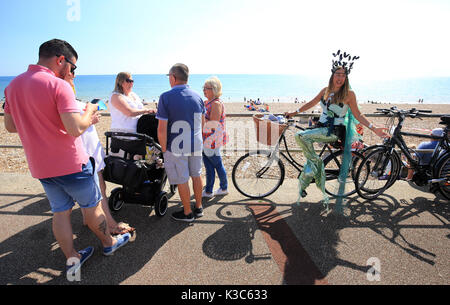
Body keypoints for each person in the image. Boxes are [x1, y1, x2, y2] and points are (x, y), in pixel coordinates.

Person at [3, 39, 130, 274]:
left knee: (60, 212)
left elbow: (10, 126)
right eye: (73, 67)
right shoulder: (58, 86)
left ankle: (72, 257)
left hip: (41, 166)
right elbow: (75, 128)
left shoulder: (12, 87)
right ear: (60, 60)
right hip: (71, 164)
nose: (72, 72)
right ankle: (109, 244)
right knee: (92, 208)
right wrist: (91, 111)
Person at [285, 50, 389, 209]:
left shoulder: (349, 94)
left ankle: (316, 167)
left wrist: (374, 129)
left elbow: (358, 114)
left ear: (346, 77)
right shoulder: (325, 90)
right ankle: (314, 168)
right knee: (303, 138)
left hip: (335, 131)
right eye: (337, 74)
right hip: (322, 127)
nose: (340, 78)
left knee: (301, 136)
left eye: (343, 75)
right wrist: (295, 112)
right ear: (332, 75)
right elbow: (311, 103)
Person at [64, 72, 135, 235]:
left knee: (82, 193)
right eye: (71, 73)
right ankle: (111, 225)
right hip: (86, 151)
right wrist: (91, 116)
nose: (73, 76)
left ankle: (86, 218)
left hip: (77, 151)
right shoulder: (67, 98)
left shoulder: (61, 99)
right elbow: (77, 125)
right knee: (99, 189)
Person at [156, 63, 205, 223]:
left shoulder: (166, 97)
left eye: (169, 76)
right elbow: (202, 123)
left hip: (176, 145)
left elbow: (162, 129)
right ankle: (198, 207)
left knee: (182, 178)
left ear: (173, 77)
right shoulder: (197, 96)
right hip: (196, 142)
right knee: (196, 175)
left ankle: (187, 213)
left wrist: (163, 149)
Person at [202, 76, 229, 198]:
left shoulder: (216, 103)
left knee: (217, 164)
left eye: (206, 88)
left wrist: (201, 116)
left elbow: (213, 124)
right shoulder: (209, 102)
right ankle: (208, 191)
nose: (203, 90)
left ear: (214, 89)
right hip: (206, 139)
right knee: (209, 166)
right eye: (203, 88)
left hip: (212, 139)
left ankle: (224, 187)